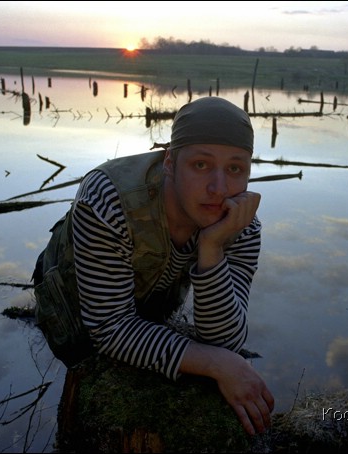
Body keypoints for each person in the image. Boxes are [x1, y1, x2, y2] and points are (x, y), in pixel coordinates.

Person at [33, 96, 274, 436]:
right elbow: (110, 327)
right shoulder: (108, 199)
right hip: (69, 291)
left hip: (154, 287)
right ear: (170, 163)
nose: (219, 189)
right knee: (85, 362)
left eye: (235, 169)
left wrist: (212, 247)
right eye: (201, 165)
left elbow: (224, 338)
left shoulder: (241, 224)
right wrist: (215, 364)